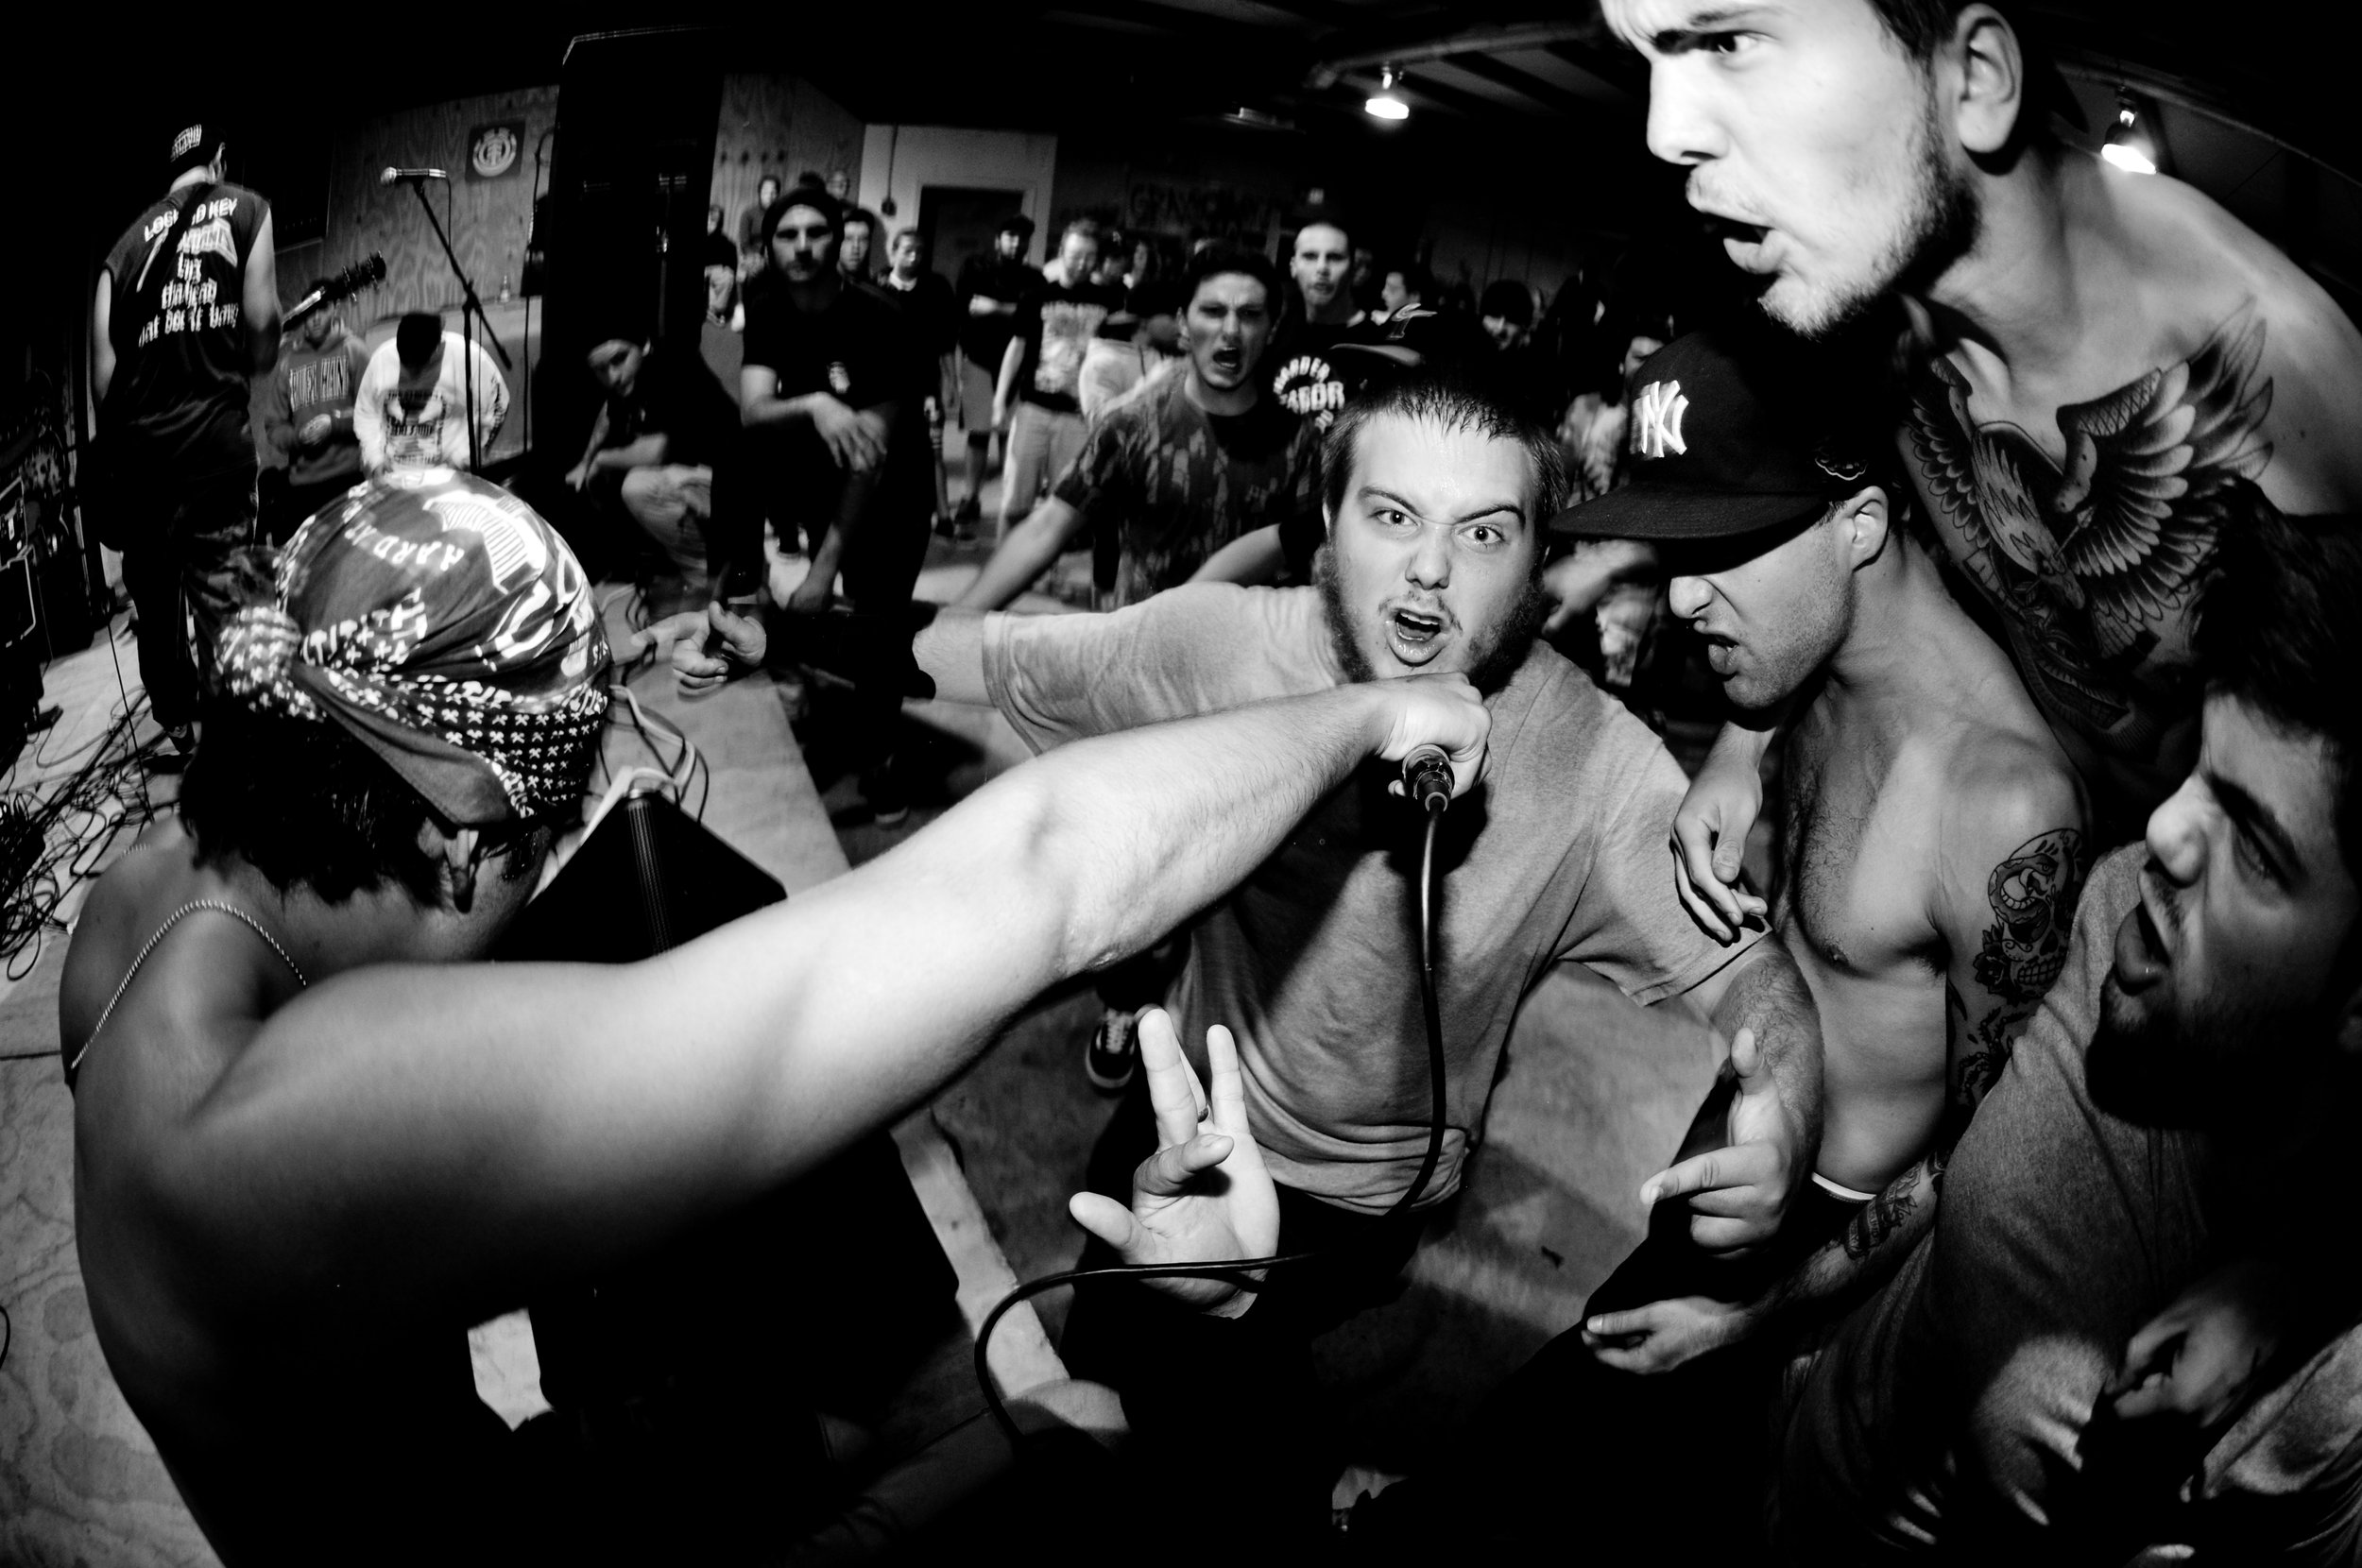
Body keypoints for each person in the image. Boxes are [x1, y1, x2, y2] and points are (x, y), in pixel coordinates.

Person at [62, 469, 1497, 1566]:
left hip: (413, 1477)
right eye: (543, 836)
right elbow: (1039, 882)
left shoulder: (143, 911)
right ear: (464, 827)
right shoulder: (299, 1119)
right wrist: (1371, 718)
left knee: (792, 1411)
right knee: (1074, 1444)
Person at [899, 363, 1828, 1544]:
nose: (1430, 570)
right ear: (1327, 528)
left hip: (1367, 1201)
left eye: (1484, 532)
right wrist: (772, 624)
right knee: (1116, 1413)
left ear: (1541, 558)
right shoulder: (1216, 646)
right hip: (1185, 1127)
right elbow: (988, 657)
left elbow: (1760, 985)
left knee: (1212, 1425)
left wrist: (1784, 1105)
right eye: (1392, 517)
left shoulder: (1594, 761)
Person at [1618, 0, 2362, 927]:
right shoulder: (1866, 304)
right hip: (2018, 852)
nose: (1665, 133)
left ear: (1974, 79)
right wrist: (1741, 743)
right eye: (1651, 57)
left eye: (1729, 42)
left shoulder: (2288, 391)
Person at [1769, 502, 2362, 1559]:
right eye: (2199, 776)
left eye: (2259, 853)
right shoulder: (2119, 914)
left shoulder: (2315, 1416)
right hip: (1814, 1448)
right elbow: (1966, 1157)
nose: (2169, 832)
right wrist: (1758, 1322)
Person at [956, 246, 1317, 615]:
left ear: (1271, 328)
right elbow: (1047, 526)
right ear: (1182, 324)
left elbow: (1313, 560)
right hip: (1137, 650)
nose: (1230, 330)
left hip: (1243, 656)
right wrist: (957, 619)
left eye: (1250, 315)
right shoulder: (1132, 425)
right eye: (1212, 311)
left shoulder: (1298, 440)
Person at [735, 186, 933, 822]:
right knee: (814, 616)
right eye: (786, 235)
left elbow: (870, 460)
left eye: (815, 232)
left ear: (841, 239)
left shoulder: (885, 321)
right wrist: (817, 404)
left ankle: (882, 762)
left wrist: (823, 567)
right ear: (769, 245)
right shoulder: (764, 308)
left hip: (893, 494)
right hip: (826, 486)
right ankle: (821, 728)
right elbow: (754, 409)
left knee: (877, 625)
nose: (801, 246)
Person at [90, 114, 280, 754]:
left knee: (158, 617)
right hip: (213, 461)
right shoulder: (246, 210)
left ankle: (181, 725)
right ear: (220, 159)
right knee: (233, 613)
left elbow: (104, 386)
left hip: (145, 475)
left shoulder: (121, 253)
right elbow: (260, 333)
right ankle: (248, 763)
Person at [564, 327, 743, 612]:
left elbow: (656, 450)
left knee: (638, 486)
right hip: (700, 477)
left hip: (736, 481)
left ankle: (707, 578)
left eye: (619, 360)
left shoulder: (670, 368)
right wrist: (585, 463)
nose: (612, 376)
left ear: (644, 346)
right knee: (626, 480)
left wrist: (600, 461)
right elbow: (606, 417)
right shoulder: (630, 380)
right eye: (600, 369)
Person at [991, 218, 1121, 542]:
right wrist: (999, 402)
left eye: (1089, 257)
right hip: (1034, 409)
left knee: (1062, 505)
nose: (1081, 264)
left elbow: (1115, 360)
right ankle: (1001, 566)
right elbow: (1017, 348)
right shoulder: (1035, 296)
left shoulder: (1108, 303)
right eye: (1075, 255)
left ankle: (1050, 573)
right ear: (1061, 251)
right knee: (1016, 500)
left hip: (1079, 417)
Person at [950, 213, 1039, 537]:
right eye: (1010, 236)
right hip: (978, 359)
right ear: (998, 239)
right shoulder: (975, 267)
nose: (1016, 243)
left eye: (1022, 238)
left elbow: (1035, 316)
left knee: (1011, 436)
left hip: (1018, 365)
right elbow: (965, 307)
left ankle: (1010, 501)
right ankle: (969, 498)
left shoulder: (1034, 278)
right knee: (978, 432)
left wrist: (996, 308)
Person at [259, 286, 369, 538]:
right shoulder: (289, 363)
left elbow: (372, 415)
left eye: (322, 309)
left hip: (346, 480)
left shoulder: (354, 350)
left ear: (335, 309)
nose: (315, 318)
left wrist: (334, 423)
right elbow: (274, 426)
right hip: (302, 487)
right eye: (309, 313)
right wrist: (298, 437)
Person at [877, 227, 963, 532]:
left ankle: (942, 514)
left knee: (933, 450)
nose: (913, 258)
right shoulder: (877, 286)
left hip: (925, 385)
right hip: (885, 386)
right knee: (887, 453)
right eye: (907, 251)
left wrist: (952, 382)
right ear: (893, 252)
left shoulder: (936, 287)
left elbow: (945, 342)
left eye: (919, 252)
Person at [354, 312, 509, 477]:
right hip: (392, 478)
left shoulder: (468, 357)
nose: (412, 371)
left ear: (436, 348)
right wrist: (375, 459)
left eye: (418, 363)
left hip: (448, 480)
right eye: (405, 362)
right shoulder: (382, 358)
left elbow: (498, 405)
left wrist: (464, 457)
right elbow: (366, 413)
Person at [737, 174, 780, 270]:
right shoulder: (748, 214)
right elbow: (744, 243)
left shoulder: (782, 215)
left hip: (776, 257)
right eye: (765, 192)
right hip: (753, 257)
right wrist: (755, 257)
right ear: (759, 193)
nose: (769, 196)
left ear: (778, 195)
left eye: (773, 192)